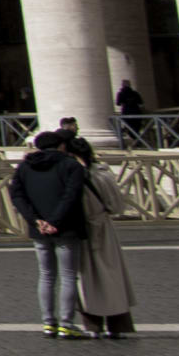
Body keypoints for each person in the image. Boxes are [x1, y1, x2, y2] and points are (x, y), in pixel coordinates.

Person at [8, 123, 92, 335]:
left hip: (39, 229)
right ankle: (66, 322)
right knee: (68, 275)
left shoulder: (25, 167)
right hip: (66, 226)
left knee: (46, 275)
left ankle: (47, 321)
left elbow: (17, 195)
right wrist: (54, 221)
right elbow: (71, 196)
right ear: (61, 146)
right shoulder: (71, 165)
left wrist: (35, 220)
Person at [69, 131, 137, 340]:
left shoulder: (71, 175)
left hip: (83, 230)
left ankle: (93, 325)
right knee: (113, 276)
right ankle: (117, 325)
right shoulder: (103, 173)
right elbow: (117, 206)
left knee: (87, 278)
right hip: (104, 228)